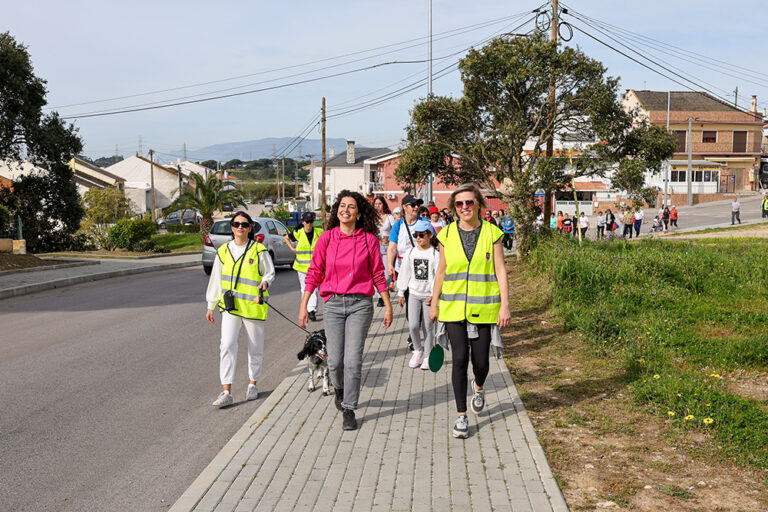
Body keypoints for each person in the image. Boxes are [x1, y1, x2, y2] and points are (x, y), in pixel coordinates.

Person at [299, 190, 393, 431]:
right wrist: (304, 304)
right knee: (335, 361)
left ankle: (349, 408)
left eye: (351, 207)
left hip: (360, 305)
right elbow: (314, 272)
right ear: (337, 210)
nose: (346, 210)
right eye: (342, 206)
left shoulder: (369, 240)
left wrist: (388, 305)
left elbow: (378, 275)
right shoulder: (327, 239)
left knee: (352, 361)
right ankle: (339, 391)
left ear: (359, 213)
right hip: (332, 305)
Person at [428, 183, 511, 439]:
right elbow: (441, 271)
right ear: (454, 208)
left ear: (479, 205)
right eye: (459, 203)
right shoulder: (446, 234)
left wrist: (505, 305)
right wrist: (434, 302)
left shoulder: (492, 233)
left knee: (481, 362)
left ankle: (479, 386)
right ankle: (461, 416)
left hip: (484, 307)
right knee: (460, 359)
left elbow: (500, 270)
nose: (465, 207)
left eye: (469, 202)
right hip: (453, 309)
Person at [206, 211, 275, 408]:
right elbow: (216, 280)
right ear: (231, 227)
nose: (240, 228)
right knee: (226, 345)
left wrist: (265, 283)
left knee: (255, 347)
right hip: (230, 307)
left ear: (250, 227)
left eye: (244, 225)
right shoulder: (223, 251)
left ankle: (253, 383)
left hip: (253, 306)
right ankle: (226, 391)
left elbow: (269, 273)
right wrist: (210, 304)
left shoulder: (259, 250)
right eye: (236, 224)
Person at [387, 195, 435, 350]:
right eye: (412, 205)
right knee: (410, 305)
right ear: (404, 207)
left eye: (417, 205)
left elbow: (437, 243)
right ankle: (413, 333)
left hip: (424, 271)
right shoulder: (398, 225)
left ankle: (422, 335)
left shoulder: (425, 223)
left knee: (423, 304)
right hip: (404, 270)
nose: (416, 207)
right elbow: (392, 247)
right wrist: (390, 265)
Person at [396, 219, 439, 370]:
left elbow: (438, 276)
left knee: (428, 327)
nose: (418, 238)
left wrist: (435, 295)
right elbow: (405, 273)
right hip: (413, 293)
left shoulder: (435, 254)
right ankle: (418, 349)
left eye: (422, 235)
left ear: (430, 235)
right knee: (413, 325)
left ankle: (428, 355)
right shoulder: (411, 253)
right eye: (416, 235)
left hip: (428, 296)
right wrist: (401, 292)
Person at [284, 212, 323, 321]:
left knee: (314, 288)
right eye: (307, 222)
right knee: (304, 289)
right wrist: (292, 249)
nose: (309, 224)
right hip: (301, 267)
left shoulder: (319, 232)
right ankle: (306, 308)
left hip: (315, 267)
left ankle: (312, 311)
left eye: (311, 222)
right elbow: (286, 238)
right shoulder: (298, 233)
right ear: (303, 222)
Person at [373, 195, 396, 307]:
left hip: (387, 247)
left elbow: (395, 230)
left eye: (380, 204)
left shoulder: (389, 217)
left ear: (383, 204)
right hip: (376, 247)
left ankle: (385, 290)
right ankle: (380, 297)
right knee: (378, 273)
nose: (378, 206)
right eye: (376, 204)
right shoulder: (372, 218)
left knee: (387, 274)